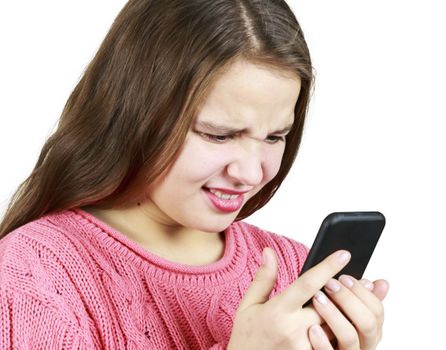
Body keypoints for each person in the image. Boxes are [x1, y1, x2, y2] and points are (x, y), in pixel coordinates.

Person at [0, 0, 389, 349]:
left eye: (275, 136)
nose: (251, 172)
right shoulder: (36, 273)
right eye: (219, 135)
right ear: (138, 115)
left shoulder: (293, 269)